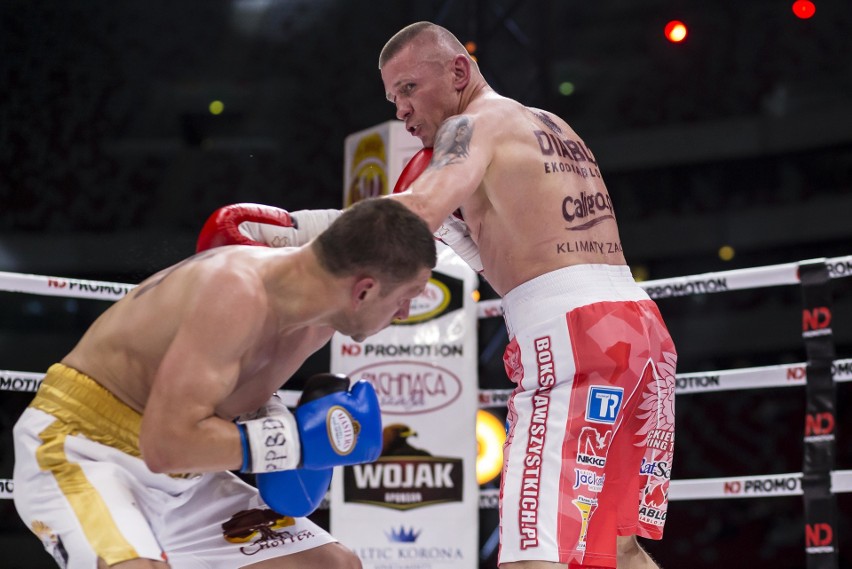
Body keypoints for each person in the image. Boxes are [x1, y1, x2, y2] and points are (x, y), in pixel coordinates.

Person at [214, 21, 679, 569]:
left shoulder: (469, 126)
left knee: (535, 553)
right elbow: (509, 237)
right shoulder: (550, 125)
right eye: (393, 97)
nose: (401, 110)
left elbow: (414, 216)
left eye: (409, 88)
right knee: (619, 547)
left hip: (573, 337)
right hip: (641, 333)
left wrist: (293, 230)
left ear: (459, 71)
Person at [13, 197, 437, 569]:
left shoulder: (319, 319)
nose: (403, 313)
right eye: (406, 296)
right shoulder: (236, 291)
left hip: (189, 481)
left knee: (332, 564)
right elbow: (164, 446)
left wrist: (271, 414)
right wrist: (298, 440)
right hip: (86, 451)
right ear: (363, 290)